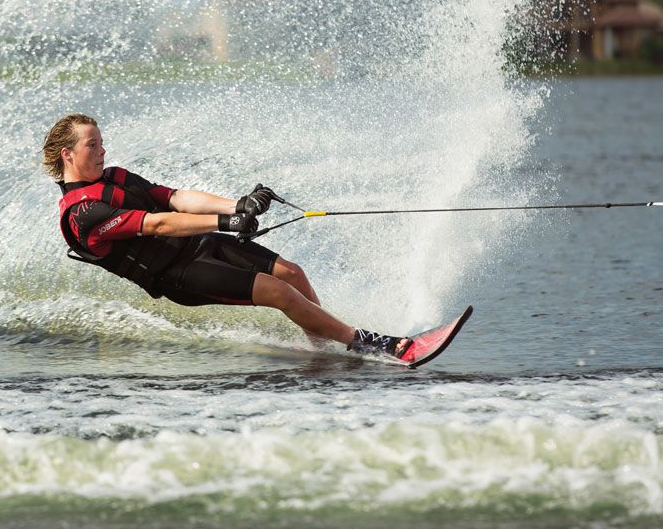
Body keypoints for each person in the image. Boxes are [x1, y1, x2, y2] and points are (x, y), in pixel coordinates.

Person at [42, 113, 411, 357]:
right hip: (178, 275)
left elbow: (174, 198)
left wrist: (238, 205)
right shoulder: (83, 213)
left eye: (102, 142)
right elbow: (158, 223)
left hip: (200, 243)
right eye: (93, 145)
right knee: (278, 292)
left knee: (292, 274)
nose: (103, 150)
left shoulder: (117, 177)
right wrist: (225, 222)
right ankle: (367, 344)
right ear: (68, 155)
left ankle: (325, 348)